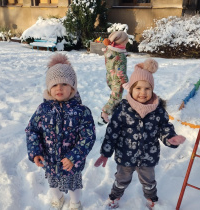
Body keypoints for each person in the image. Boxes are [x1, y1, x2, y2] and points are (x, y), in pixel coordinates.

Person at [94, 58, 186, 209]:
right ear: (130, 89)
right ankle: (115, 196)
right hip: (125, 155)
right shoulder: (123, 109)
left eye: (147, 89)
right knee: (121, 178)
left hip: (148, 156)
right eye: (138, 88)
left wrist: (171, 138)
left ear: (152, 90)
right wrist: (105, 153)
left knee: (148, 180)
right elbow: (112, 132)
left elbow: (164, 127)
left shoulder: (157, 109)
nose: (142, 93)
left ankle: (151, 198)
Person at [25, 53, 96, 210]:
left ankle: (75, 202)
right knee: (53, 183)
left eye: (64, 84)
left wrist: (73, 157)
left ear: (72, 87)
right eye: (55, 85)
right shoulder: (43, 109)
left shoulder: (82, 111)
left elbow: (88, 137)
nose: (59, 88)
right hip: (50, 161)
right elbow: (32, 130)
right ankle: (58, 198)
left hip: (72, 163)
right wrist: (35, 151)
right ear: (49, 88)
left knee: (74, 185)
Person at [98, 31, 129, 125]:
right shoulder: (120, 55)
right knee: (115, 97)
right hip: (118, 80)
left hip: (110, 78)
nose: (126, 43)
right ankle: (104, 114)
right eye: (125, 41)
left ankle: (115, 111)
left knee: (115, 96)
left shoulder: (109, 50)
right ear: (121, 42)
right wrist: (124, 82)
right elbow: (120, 71)